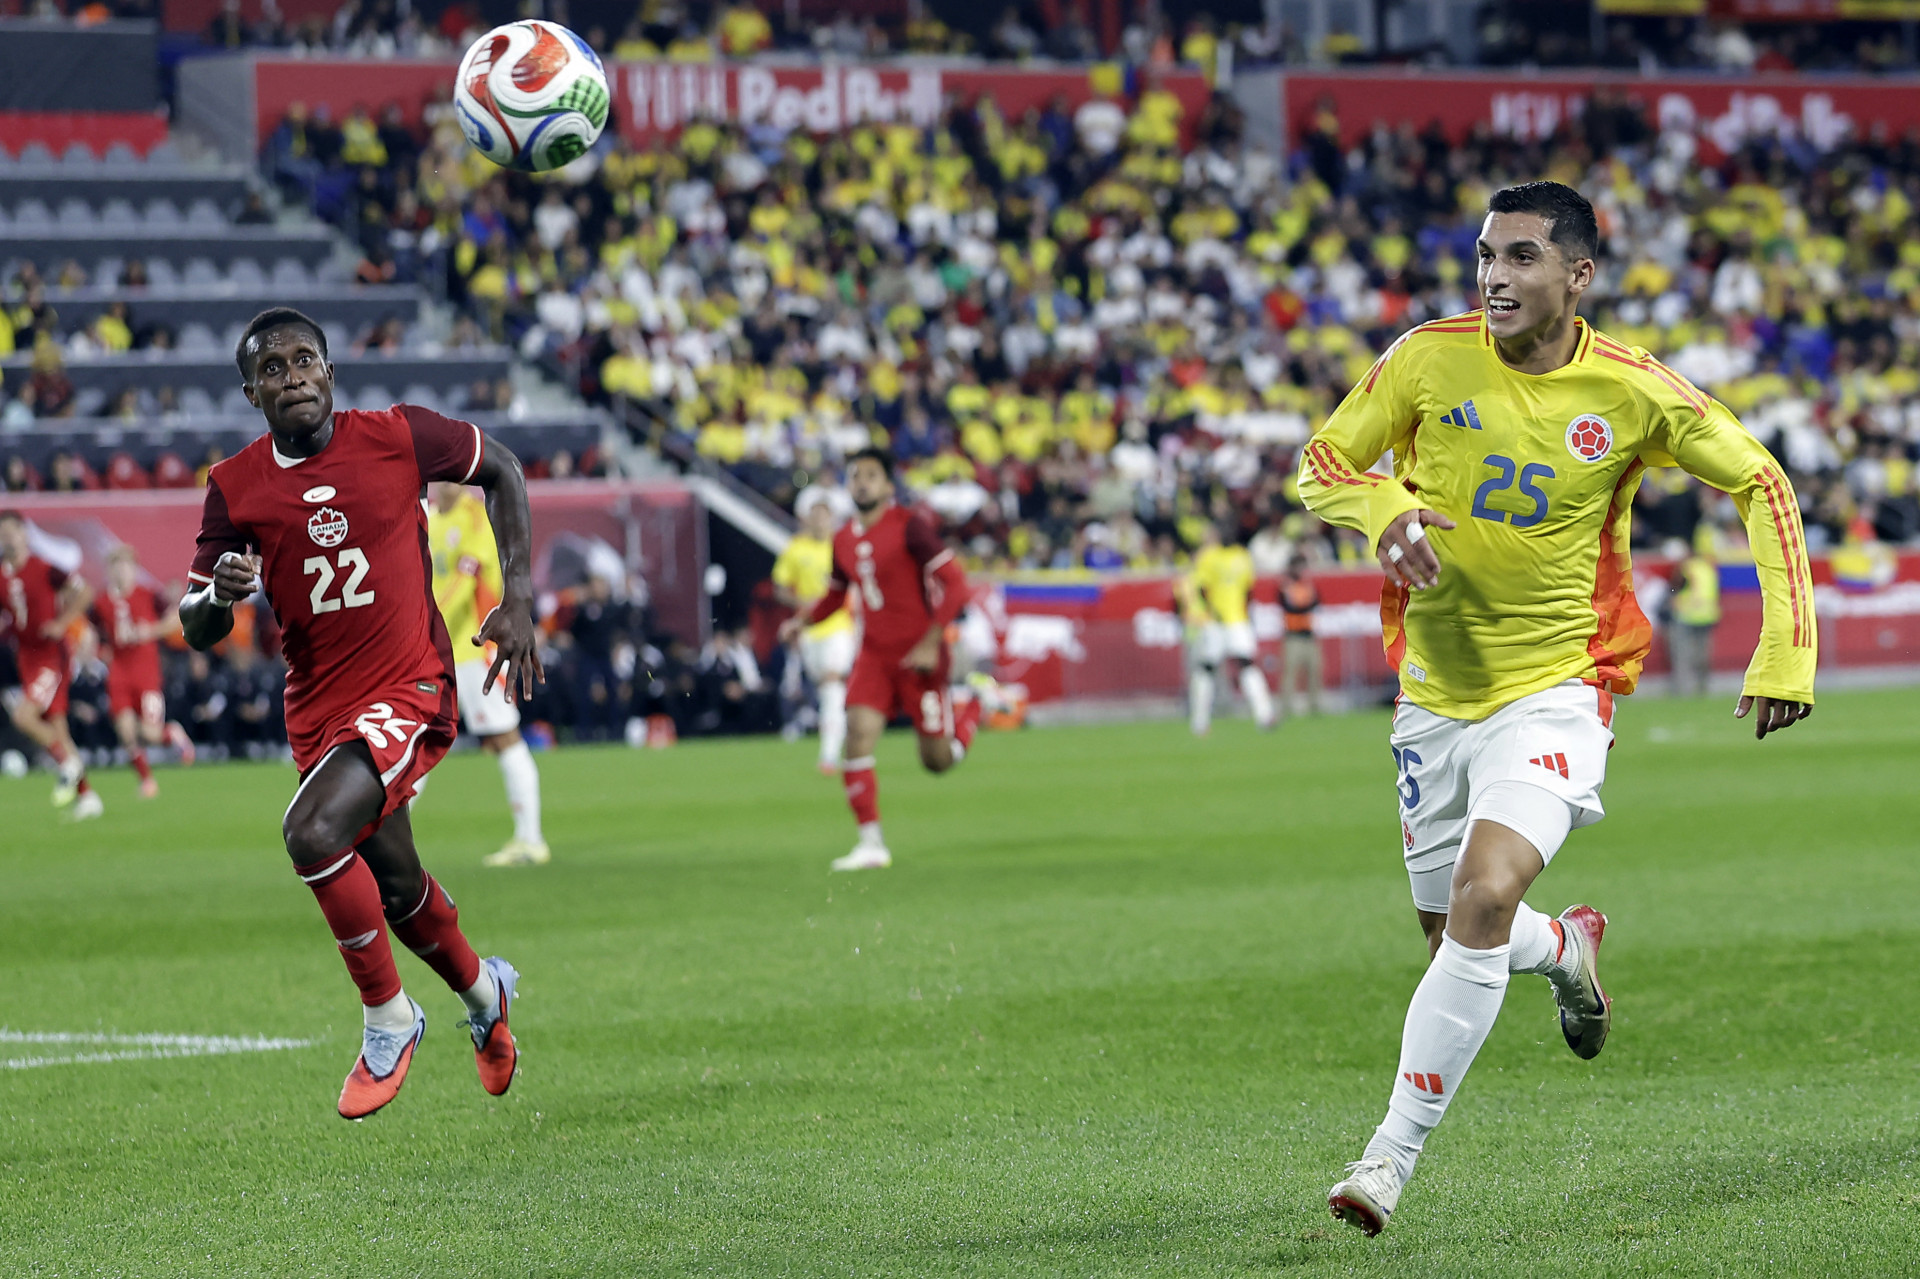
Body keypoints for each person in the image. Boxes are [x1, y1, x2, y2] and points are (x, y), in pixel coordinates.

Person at [1300, 182, 1816, 1236]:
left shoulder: (1632, 390)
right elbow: (1322, 463)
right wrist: (1384, 507)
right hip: (1433, 700)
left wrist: (1784, 650)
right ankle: (1564, 947)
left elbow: (1760, 479)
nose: (1495, 276)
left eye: (1523, 257)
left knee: (1481, 899)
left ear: (1578, 275)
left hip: (1557, 690)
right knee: (1453, 933)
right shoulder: (1424, 357)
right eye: (1487, 255)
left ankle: (1385, 1162)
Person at [179, 308, 543, 1120]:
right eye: (272, 368)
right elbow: (194, 621)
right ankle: (487, 995)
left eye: (305, 359)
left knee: (311, 832)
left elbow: (505, 470)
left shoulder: (400, 435)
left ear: (331, 369)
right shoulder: (233, 485)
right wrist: (217, 596)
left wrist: (519, 595)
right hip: (317, 706)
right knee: (399, 883)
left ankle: (389, 1015)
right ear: (251, 391)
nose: (293, 375)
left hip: (409, 684)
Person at [777, 448, 984, 871]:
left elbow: (957, 584)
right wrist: (803, 620)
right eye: (856, 476)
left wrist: (931, 641)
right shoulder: (843, 539)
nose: (862, 483)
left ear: (889, 486)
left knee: (936, 762)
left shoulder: (911, 528)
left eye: (872, 475)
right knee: (857, 734)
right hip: (874, 656)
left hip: (919, 658)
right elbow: (836, 595)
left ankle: (976, 708)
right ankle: (871, 844)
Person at [428, 481, 548, 866]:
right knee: (417, 738)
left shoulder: (476, 519)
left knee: (502, 738)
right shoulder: (428, 519)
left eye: (452, 476)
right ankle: (387, 842)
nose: (447, 483)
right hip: (436, 650)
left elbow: (467, 586)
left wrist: (423, 621)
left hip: (474, 648)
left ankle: (531, 840)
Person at [0, 511, 101, 819]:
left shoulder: (43, 568)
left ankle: (66, 764)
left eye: (12, 532)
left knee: (23, 716)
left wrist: (61, 623)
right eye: (3, 533)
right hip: (27, 657)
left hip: (50, 656)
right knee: (57, 728)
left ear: (24, 535)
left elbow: (85, 591)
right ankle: (88, 798)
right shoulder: (3, 576)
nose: (7, 538)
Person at [95, 545, 194, 798]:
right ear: (110, 570)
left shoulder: (149, 595)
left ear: (134, 569)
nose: (121, 572)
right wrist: (100, 650)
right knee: (126, 732)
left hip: (146, 672)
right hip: (119, 672)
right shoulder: (102, 602)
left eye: (126, 567)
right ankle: (147, 781)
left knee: (149, 733)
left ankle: (171, 733)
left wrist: (149, 631)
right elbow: (95, 633)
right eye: (116, 567)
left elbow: (177, 619)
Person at [771, 496, 855, 772]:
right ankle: (842, 733)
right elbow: (780, 586)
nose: (820, 521)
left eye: (825, 515)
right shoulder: (796, 548)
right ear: (807, 519)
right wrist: (801, 605)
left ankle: (829, 754)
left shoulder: (841, 544)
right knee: (825, 688)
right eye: (815, 515)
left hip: (839, 624)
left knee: (833, 682)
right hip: (809, 627)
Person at [1184, 522, 1275, 735]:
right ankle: (1200, 721)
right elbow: (1201, 588)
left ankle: (1265, 715)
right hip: (1215, 622)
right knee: (1207, 668)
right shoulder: (1209, 556)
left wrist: (1246, 614)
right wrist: (1210, 612)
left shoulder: (1242, 556)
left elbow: (1247, 589)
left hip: (1237, 620)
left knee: (1247, 664)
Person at [1667, 539, 1721, 697]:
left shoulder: (1686, 568)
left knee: (1683, 655)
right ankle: (1702, 687)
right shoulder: (1709, 569)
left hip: (1686, 614)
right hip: (1707, 615)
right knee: (1703, 655)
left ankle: (1683, 689)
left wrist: (1675, 603)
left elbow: (1674, 588)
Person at [1277, 555, 1322, 717]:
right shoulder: (1286, 586)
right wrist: (1304, 604)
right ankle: (1286, 707)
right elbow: (1291, 606)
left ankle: (1315, 706)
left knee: (1314, 671)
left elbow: (1316, 602)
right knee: (1290, 673)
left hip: (1308, 634)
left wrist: (1303, 604)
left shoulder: (1307, 585)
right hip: (1293, 635)